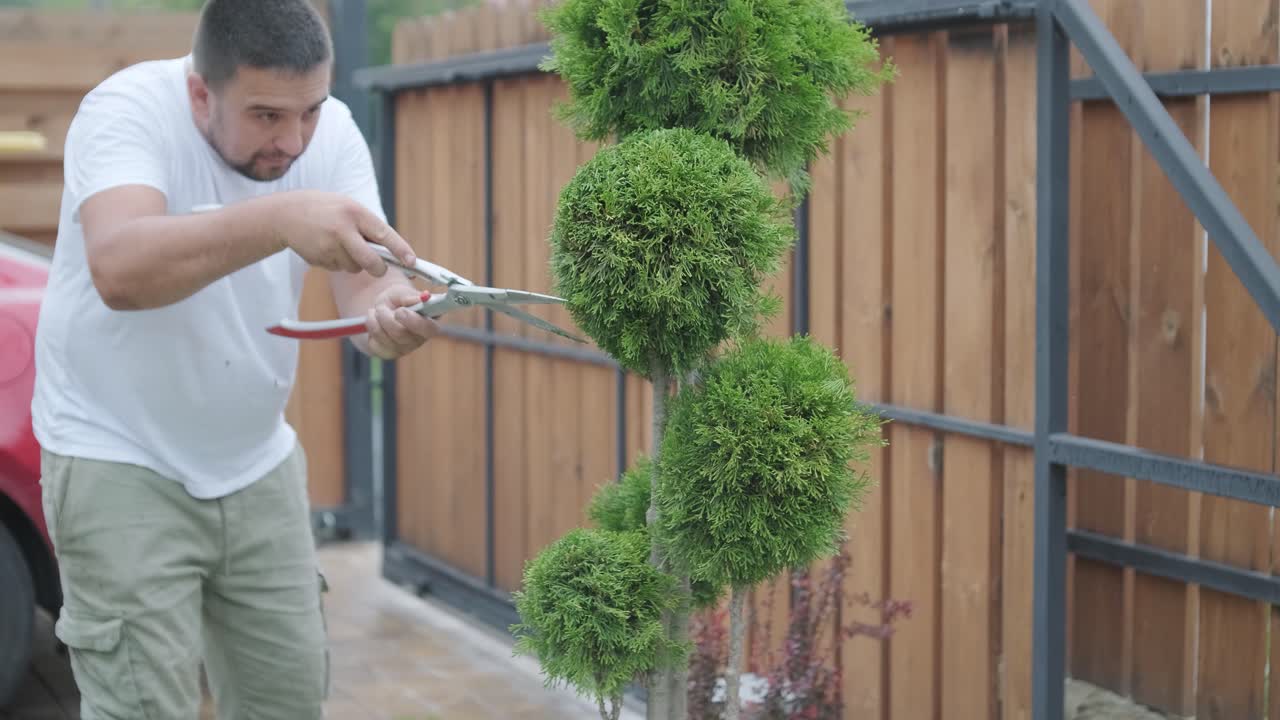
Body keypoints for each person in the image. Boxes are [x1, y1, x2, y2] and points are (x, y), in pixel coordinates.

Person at [29, 0, 437, 717]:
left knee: (286, 702)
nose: (294, 140)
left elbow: (366, 279)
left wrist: (391, 311)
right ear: (200, 92)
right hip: (117, 457)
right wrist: (281, 219)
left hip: (257, 465)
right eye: (267, 116)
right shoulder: (125, 110)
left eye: (309, 109)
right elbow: (121, 270)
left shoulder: (332, 132)